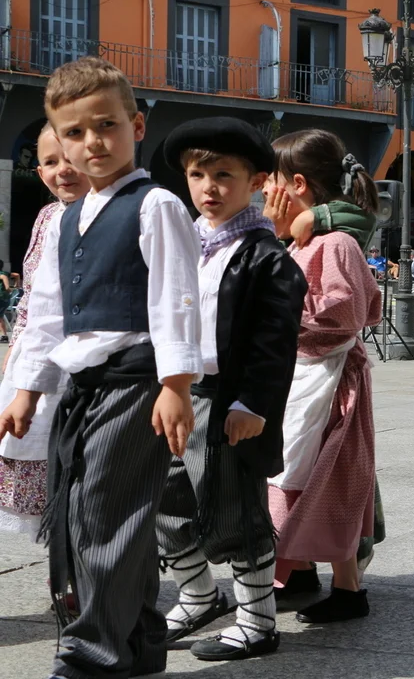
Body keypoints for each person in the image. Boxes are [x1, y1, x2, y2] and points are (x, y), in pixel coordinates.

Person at [0, 56, 202, 678]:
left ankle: (95, 652)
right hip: (85, 384)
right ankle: (137, 641)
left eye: (106, 125)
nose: (92, 142)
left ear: (135, 126)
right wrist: (28, 388)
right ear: (59, 142)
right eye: (75, 132)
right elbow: (49, 312)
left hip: (136, 380)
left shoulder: (155, 205)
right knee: (90, 508)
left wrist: (175, 384)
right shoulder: (68, 217)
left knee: (103, 515)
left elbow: (177, 298)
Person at [154, 117, 307, 661]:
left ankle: (258, 620)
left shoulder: (266, 256)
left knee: (235, 510)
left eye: (224, 175)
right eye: (198, 175)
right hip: (178, 393)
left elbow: (274, 342)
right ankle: (198, 594)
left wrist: (252, 404)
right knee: (165, 501)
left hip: (228, 401)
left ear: (256, 182)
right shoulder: (182, 244)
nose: (209, 188)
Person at [262, 128, 382, 624]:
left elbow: (345, 313)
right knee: (306, 476)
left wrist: (281, 317)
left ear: (297, 184)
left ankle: (348, 589)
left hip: (329, 382)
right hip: (303, 376)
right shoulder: (301, 240)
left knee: (327, 479)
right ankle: (302, 571)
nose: (263, 189)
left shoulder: (334, 243)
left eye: (270, 179)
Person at [0, 125, 90, 538]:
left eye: (70, 159)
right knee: (33, 443)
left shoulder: (105, 213)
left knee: (74, 457)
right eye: (51, 162)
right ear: (39, 172)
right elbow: (34, 295)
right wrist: (17, 345)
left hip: (79, 355)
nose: (62, 170)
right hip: (36, 349)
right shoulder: (48, 215)